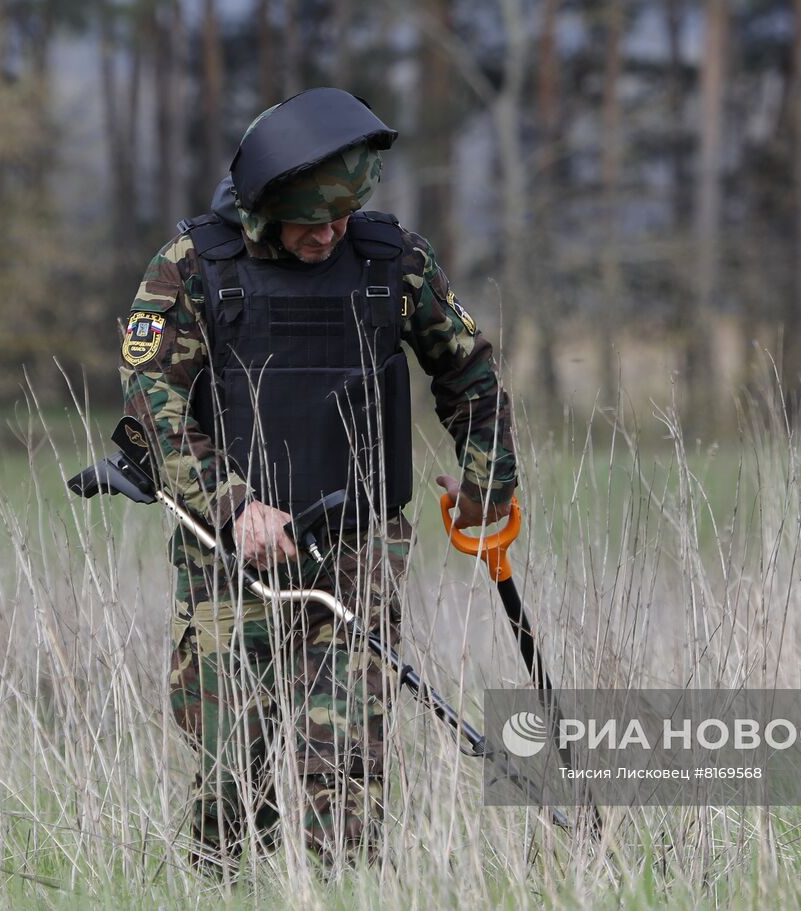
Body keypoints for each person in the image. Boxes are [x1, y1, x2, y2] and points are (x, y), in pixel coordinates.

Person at [119, 87, 517, 869]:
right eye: (310, 221)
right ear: (265, 209)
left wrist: (487, 484)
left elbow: (469, 371)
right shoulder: (194, 266)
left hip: (361, 542)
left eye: (341, 218)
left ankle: (343, 886)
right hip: (232, 558)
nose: (327, 235)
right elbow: (149, 398)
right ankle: (219, 882)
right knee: (235, 768)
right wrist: (232, 503)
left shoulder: (392, 260)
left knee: (346, 763)